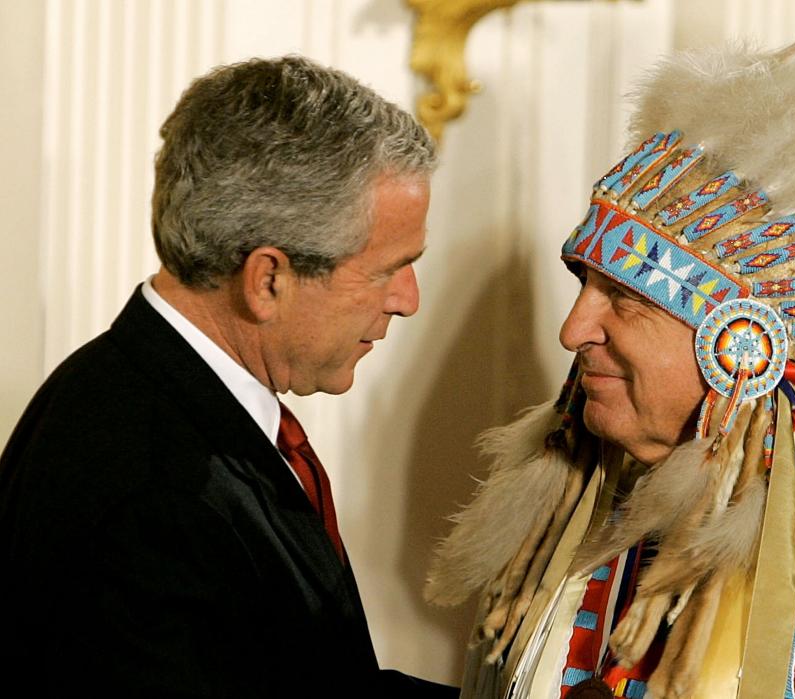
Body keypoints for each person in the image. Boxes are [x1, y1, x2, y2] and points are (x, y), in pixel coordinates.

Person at [426, 1, 795, 697]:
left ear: (744, 342)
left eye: (624, 298)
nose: (573, 331)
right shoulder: (581, 527)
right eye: (583, 283)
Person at [0, 55, 457, 696]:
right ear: (267, 279)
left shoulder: (131, 388)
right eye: (387, 269)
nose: (407, 299)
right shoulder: (155, 497)